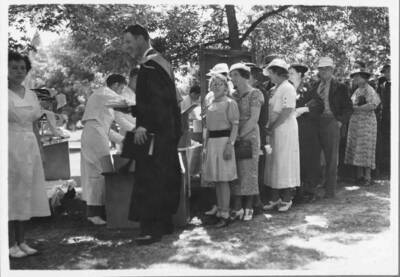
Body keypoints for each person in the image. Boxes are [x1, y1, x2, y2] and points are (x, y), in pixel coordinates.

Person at [122, 24, 182, 245]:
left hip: (154, 132)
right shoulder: (162, 62)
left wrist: (144, 125)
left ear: (142, 38)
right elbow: (165, 101)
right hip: (166, 131)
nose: (126, 47)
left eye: (129, 41)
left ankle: (151, 229)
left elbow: (157, 102)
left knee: (150, 179)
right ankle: (164, 223)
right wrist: (134, 110)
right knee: (164, 176)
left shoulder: (150, 66)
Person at [8, 51, 51, 258]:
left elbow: (36, 123)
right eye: (13, 67)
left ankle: (22, 241)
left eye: (22, 68)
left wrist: (41, 148)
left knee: (26, 192)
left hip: (29, 145)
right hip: (9, 144)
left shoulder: (32, 94)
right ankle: (9, 244)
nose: (18, 72)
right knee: (10, 194)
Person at [80, 74, 128, 225]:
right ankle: (94, 213)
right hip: (94, 133)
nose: (121, 91)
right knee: (99, 172)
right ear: (115, 85)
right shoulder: (104, 93)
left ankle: (101, 210)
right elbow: (125, 104)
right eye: (121, 88)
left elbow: (108, 128)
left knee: (102, 172)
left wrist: (125, 139)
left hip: (97, 132)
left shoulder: (105, 99)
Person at [311, 57, 353, 198]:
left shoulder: (340, 87)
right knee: (315, 157)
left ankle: (330, 191)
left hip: (331, 122)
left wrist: (340, 121)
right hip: (316, 123)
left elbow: (348, 108)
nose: (323, 71)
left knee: (331, 158)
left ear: (332, 70)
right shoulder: (315, 85)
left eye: (326, 69)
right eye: (321, 69)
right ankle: (314, 189)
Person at [263, 59, 300, 212]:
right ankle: (275, 197)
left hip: (285, 129)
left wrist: (272, 126)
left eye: (271, 73)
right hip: (275, 129)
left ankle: (287, 197)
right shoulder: (276, 88)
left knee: (285, 162)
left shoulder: (288, 88)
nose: (269, 76)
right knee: (274, 161)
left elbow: (286, 111)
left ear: (278, 73)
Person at [203, 74, 239, 227]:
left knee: (224, 180)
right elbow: (207, 128)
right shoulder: (210, 103)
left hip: (224, 142)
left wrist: (230, 145)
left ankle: (225, 213)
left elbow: (235, 126)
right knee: (217, 179)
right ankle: (220, 210)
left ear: (226, 86)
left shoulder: (230, 103)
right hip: (212, 143)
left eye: (220, 84)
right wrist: (205, 147)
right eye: (214, 84)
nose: (216, 86)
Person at [230, 63, 264, 221]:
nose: (232, 79)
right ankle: (237, 207)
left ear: (244, 76)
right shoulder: (233, 95)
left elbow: (254, 118)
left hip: (249, 135)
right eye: (231, 76)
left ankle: (249, 206)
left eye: (235, 75)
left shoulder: (255, 93)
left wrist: (241, 135)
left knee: (250, 171)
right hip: (235, 134)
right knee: (237, 170)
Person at [289, 63, 324, 202]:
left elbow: (319, 105)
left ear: (299, 74)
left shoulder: (308, 89)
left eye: (291, 73)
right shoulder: (288, 88)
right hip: (292, 129)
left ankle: (309, 191)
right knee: (296, 160)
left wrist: (304, 109)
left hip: (307, 129)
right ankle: (297, 191)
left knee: (308, 159)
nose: (289, 75)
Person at [345, 70, 381, 186]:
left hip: (366, 122)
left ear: (364, 79)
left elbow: (373, 105)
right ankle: (359, 176)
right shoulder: (357, 90)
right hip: (356, 122)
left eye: (357, 77)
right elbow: (351, 103)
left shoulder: (369, 90)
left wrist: (357, 108)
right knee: (357, 148)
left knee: (366, 147)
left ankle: (367, 177)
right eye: (354, 77)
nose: (355, 79)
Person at [376, 64, 390, 176]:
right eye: (385, 72)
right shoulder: (383, 85)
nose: (387, 73)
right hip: (384, 116)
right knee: (385, 140)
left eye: (388, 71)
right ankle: (386, 168)